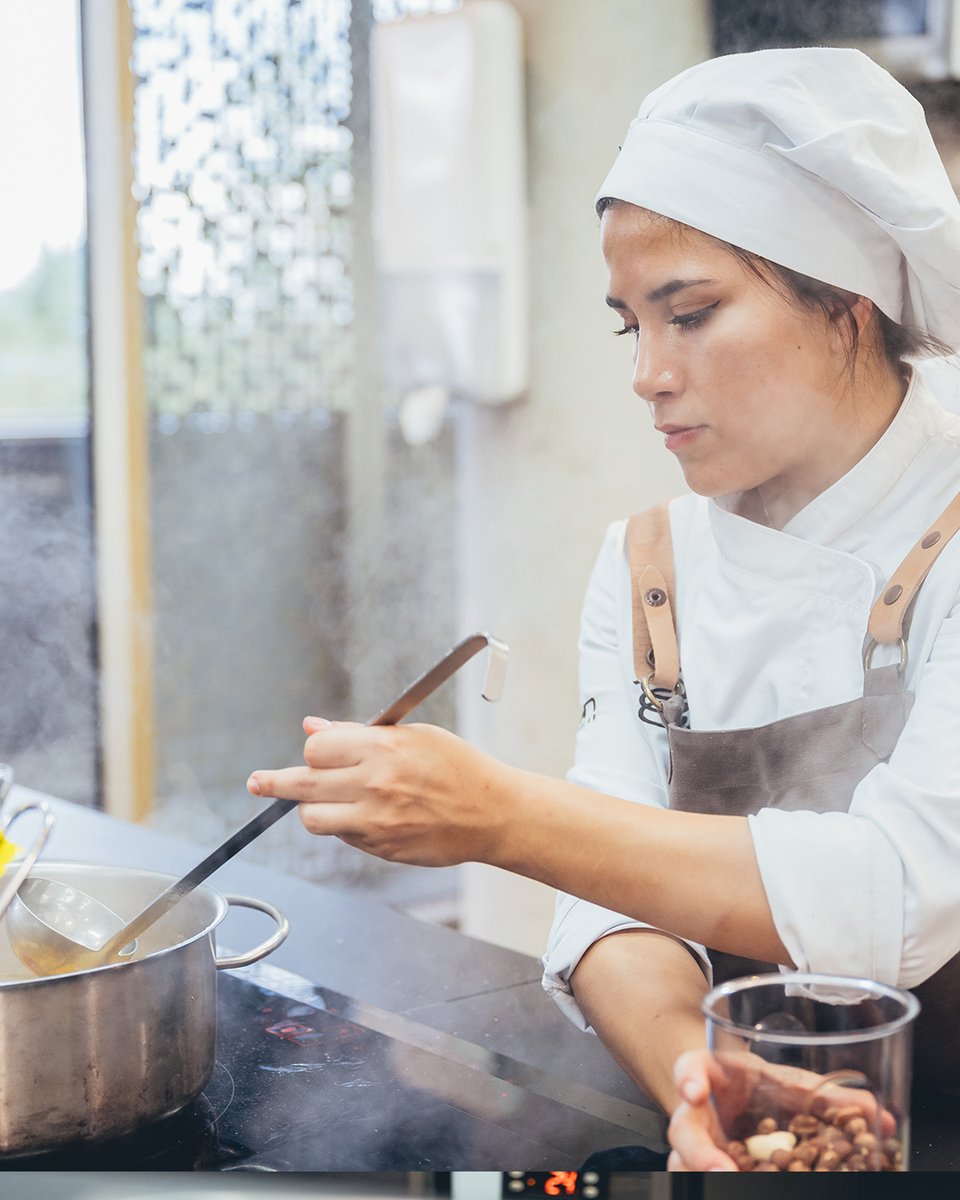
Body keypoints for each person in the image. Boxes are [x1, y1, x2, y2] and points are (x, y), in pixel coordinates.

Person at [246, 47, 960, 1171]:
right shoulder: (648, 562)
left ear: (847, 306)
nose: (649, 374)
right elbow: (611, 898)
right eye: (633, 324)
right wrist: (693, 1065)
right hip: (766, 1145)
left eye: (693, 313)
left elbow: (902, 894)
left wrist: (504, 818)